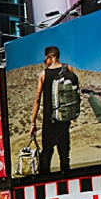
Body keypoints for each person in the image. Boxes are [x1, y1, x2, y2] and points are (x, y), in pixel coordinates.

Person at [30, 46, 75, 174]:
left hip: (49, 121)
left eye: (45, 59)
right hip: (64, 119)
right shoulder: (69, 69)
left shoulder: (43, 74)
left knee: (46, 155)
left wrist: (33, 123)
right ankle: (67, 182)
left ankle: (44, 185)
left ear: (49, 57)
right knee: (64, 156)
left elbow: (38, 98)